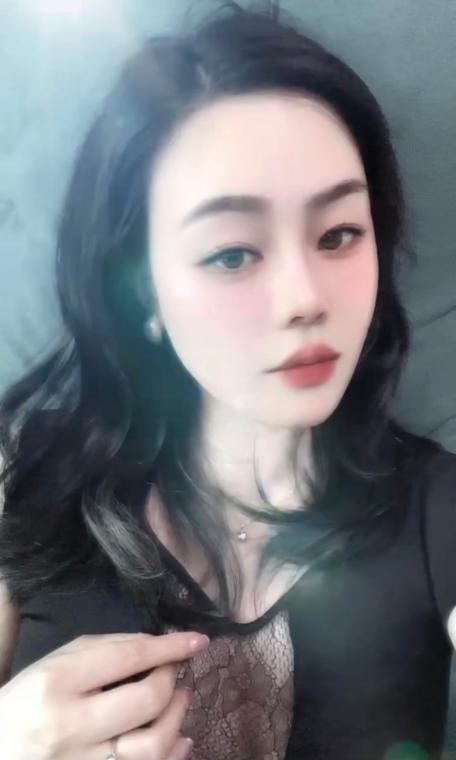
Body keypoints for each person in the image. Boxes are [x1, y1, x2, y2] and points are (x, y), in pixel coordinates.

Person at [0, 2, 456, 759]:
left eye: (339, 234)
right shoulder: (25, 477)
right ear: (140, 291)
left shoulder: (437, 509)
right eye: (233, 253)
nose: (305, 298)